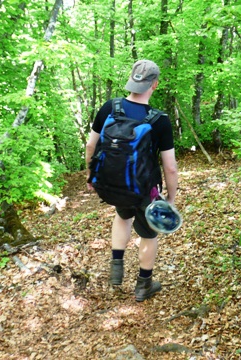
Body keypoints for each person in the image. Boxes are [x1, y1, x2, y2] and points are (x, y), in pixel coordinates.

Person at [85, 60, 178, 302]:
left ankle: (116, 266)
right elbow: (170, 166)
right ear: (154, 85)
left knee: (122, 216)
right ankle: (143, 285)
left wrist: (91, 175)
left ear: (132, 79)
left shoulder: (110, 107)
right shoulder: (159, 120)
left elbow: (90, 145)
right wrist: (171, 196)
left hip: (116, 184)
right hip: (145, 189)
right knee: (149, 234)